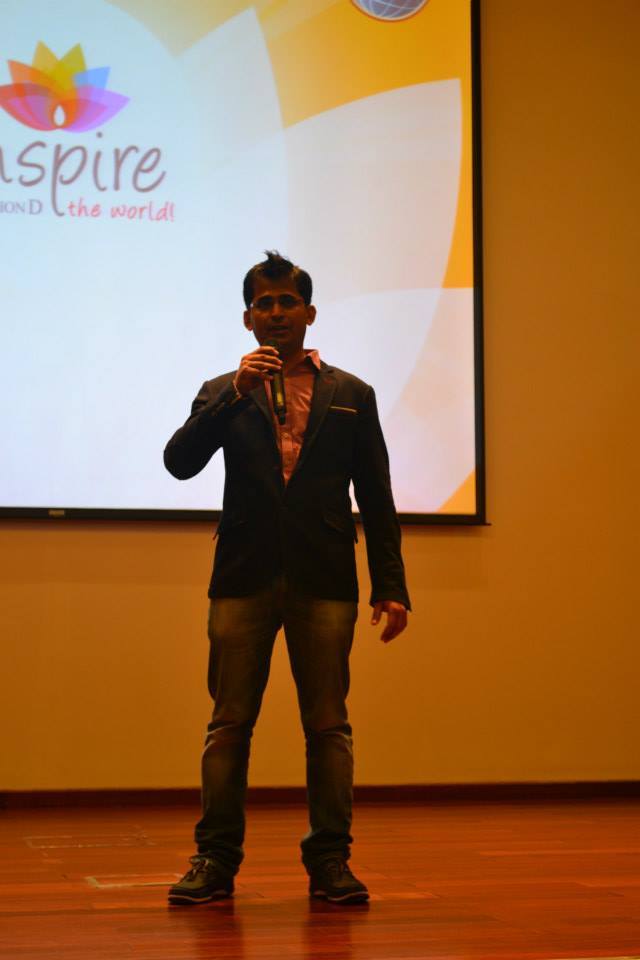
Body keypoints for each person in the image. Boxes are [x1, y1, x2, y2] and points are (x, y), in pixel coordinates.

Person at [164, 251, 410, 905]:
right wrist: (233, 397)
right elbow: (178, 463)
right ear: (248, 319)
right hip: (242, 574)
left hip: (324, 576)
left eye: (287, 301)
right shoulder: (223, 390)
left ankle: (330, 861)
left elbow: (376, 495)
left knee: (328, 726)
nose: (276, 313)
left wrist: (390, 584)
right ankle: (215, 860)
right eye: (263, 304)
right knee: (228, 724)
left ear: (310, 312)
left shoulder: (352, 394)